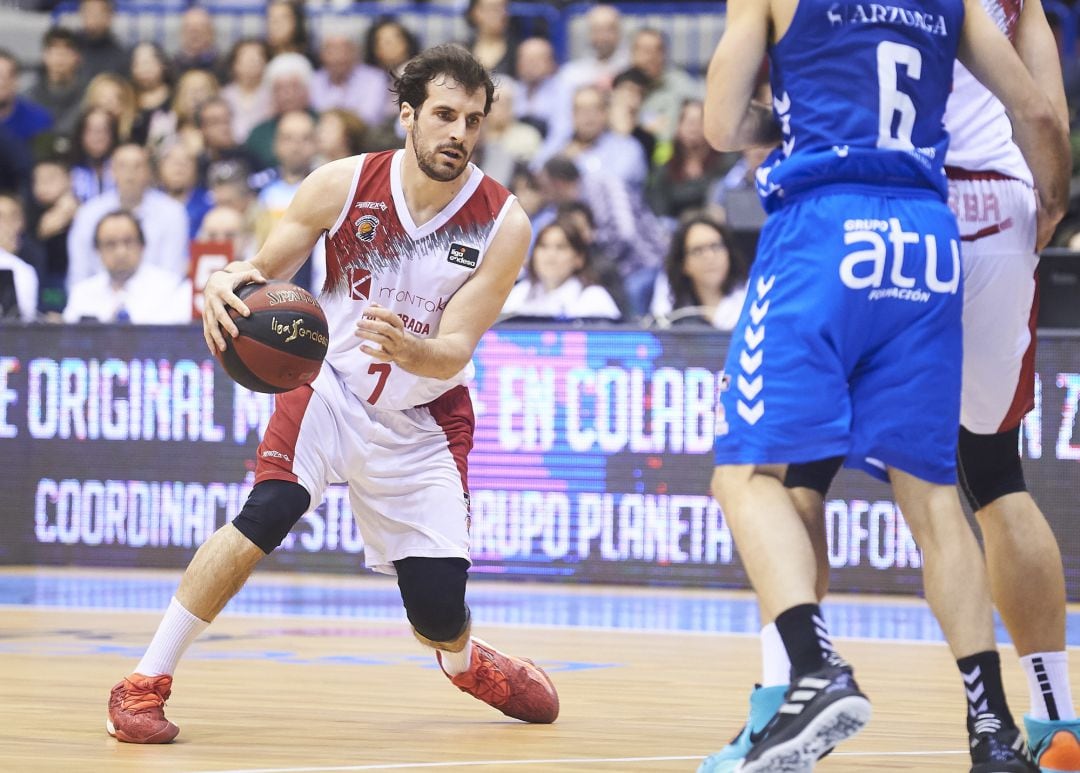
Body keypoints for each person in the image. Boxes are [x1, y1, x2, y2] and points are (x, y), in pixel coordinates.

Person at [105, 43, 558, 745]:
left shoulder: (503, 222)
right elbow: (259, 268)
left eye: (473, 119)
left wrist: (415, 348)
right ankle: (143, 682)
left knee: (437, 612)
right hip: (331, 386)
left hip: (423, 416)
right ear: (407, 114)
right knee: (266, 512)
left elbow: (458, 346)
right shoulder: (341, 185)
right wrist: (227, 280)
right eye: (444, 114)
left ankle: (466, 660)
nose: (458, 133)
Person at [702, 1, 1080, 772]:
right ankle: (1002, 724)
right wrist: (1052, 202)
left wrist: (792, 109)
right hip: (936, 228)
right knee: (960, 486)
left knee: (762, 472)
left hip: (830, 221)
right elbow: (1039, 107)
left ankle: (802, 680)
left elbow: (717, 126)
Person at [63, 209, 190, 324]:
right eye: (110, 244)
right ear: (98, 250)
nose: (120, 252)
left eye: (128, 242)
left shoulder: (172, 289)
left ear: (142, 245)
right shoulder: (81, 294)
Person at [501, 219, 621, 321]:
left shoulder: (594, 298)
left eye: (560, 247)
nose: (551, 255)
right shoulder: (518, 294)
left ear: (579, 258)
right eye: (543, 246)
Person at [650, 212, 745, 329]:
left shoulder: (751, 299)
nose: (710, 256)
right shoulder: (676, 314)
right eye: (698, 250)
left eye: (715, 246)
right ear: (684, 264)